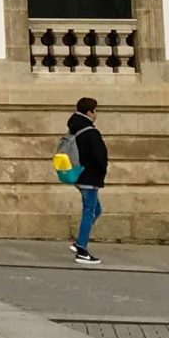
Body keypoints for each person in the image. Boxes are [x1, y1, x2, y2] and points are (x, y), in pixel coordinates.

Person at [67, 96, 108, 265]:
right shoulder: (90, 132)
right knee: (89, 211)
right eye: (95, 111)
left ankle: (79, 242)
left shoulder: (74, 129)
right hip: (90, 177)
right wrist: (101, 172)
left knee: (96, 209)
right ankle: (82, 249)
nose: (96, 114)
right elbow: (99, 156)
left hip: (79, 174)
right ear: (90, 112)